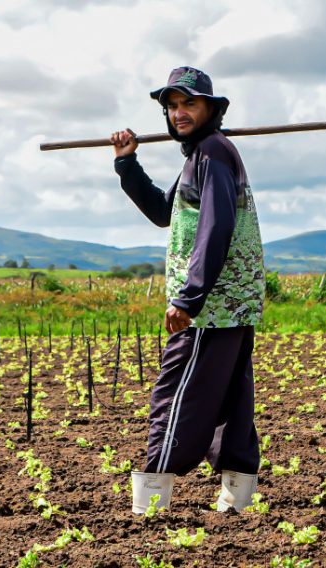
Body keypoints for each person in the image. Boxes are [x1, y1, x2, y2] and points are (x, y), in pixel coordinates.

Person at [110, 66, 265, 514]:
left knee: (175, 391)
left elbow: (215, 228)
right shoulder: (202, 155)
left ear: (211, 109)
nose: (179, 113)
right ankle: (236, 499)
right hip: (230, 304)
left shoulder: (213, 153)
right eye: (172, 106)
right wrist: (127, 163)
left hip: (210, 306)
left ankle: (152, 498)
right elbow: (165, 212)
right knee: (231, 398)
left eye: (189, 104)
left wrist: (188, 298)